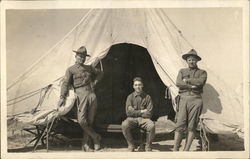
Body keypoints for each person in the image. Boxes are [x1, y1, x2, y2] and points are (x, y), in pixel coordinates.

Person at [58, 46, 103, 152]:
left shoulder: (89, 68)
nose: (82, 58)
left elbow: (101, 73)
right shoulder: (70, 69)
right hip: (80, 94)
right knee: (82, 120)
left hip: (92, 95)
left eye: (83, 57)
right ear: (76, 56)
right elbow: (65, 84)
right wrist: (62, 97)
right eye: (80, 56)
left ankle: (88, 144)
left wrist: (95, 82)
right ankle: (95, 136)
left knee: (90, 121)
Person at [173, 49, 207, 151]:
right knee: (179, 125)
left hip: (196, 100)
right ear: (186, 61)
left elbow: (201, 82)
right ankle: (175, 150)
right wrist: (192, 85)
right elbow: (178, 83)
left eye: (193, 60)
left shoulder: (202, 72)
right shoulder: (182, 71)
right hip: (183, 99)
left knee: (192, 126)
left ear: (197, 61)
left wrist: (187, 80)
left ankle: (186, 150)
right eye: (189, 60)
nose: (191, 61)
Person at [121, 77, 155, 152]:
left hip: (144, 119)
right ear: (133, 86)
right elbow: (128, 113)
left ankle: (148, 146)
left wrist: (135, 112)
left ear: (142, 85)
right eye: (136, 85)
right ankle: (131, 145)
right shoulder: (130, 97)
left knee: (151, 125)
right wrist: (142, 111)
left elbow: (149, 113)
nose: (138, 87)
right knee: (124, 125)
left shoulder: (147, 97)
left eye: (139, 85)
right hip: (132, 119)